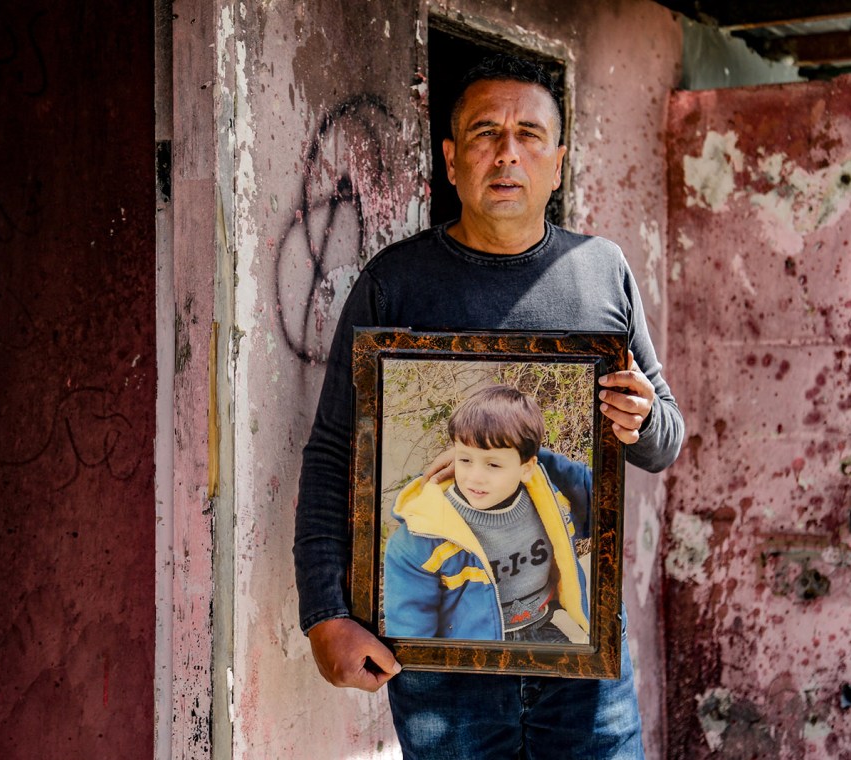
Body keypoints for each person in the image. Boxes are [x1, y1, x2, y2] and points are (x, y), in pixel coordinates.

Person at [293, 53, 685, 757]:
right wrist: (325, 614)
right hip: (444, 667)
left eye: (530, 134)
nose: (508, 153)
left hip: (581, 660)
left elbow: (661, 441)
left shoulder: (602, 272)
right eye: (484, 133)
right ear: (450, 158)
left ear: (559, 161)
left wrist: (642, 418)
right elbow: (331, 453)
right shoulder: (396, 285)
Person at [384, 385, 591, 643]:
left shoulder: (550, 500)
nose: (475, 477)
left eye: (492, 464)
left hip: (544, 631)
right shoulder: (425, 535)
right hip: (475, 655)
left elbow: (608, 499)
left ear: (527, 469)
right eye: (465, 460)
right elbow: (411, 629)